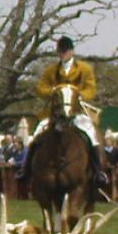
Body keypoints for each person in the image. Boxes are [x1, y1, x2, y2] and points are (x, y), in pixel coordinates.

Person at [17, 36, 103, 185]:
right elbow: (40, 87)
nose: (62, 54)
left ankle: (98, 172)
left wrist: (80, 95)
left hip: (76, 111)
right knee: (36, 135)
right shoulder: (51, 70)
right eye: (60, 52)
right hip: (55, 112)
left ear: (71, 51)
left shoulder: (84, 69)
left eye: (65, 51)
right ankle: (26, 171)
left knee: (92, 136)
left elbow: (91, 88)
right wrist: (53, 92)